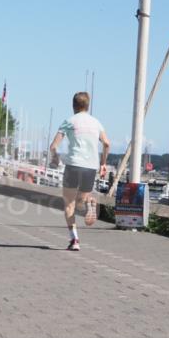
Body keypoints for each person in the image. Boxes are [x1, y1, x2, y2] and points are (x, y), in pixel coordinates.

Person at [49, 92, 110, 251]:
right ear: (88, 105)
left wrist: (55, 158)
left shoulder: (69, 121)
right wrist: (103, 163)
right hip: (91, 166)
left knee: (69, 204)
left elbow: (53, 146)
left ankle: (74, 240)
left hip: (73, 165)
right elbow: (106, 143)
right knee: (81, 202)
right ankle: (89, 202)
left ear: (73, 105)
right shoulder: (96, 123)